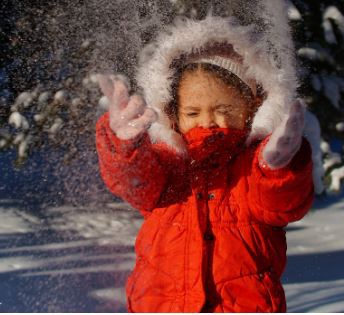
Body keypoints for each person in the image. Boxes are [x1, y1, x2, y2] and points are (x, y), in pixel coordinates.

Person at [95, 15, 314, 313]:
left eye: (223, 109)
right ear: (174, 114)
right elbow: (135, 182)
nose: (208, 121)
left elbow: (283, 202)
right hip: (161, 304)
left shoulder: (252, 167)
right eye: (194, 112)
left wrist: (280, 165)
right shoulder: (169, 165)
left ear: (252, 109)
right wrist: (124, 147)